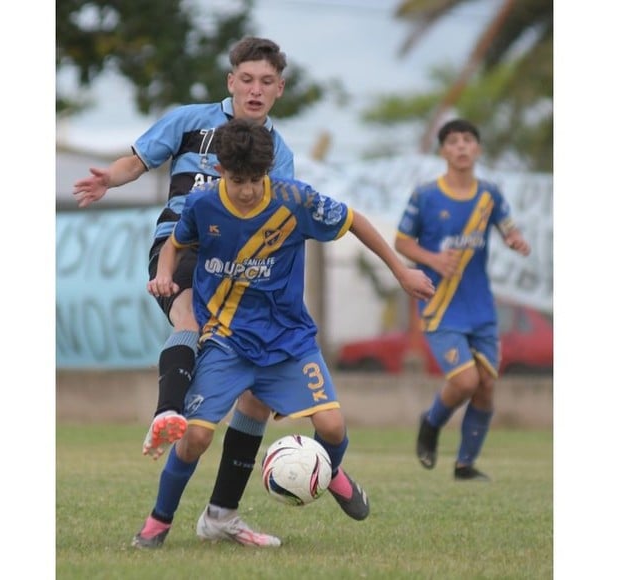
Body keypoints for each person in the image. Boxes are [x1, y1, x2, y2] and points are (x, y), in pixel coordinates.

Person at [132, 118, 436, 548]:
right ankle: (159, 522)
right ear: (221, 171)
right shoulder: (202, 205)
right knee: (196, 435)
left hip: (288, 340)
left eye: (257, 180)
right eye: (238, 180)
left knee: (332, 427)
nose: (249, 190)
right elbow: (176, 243)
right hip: (225, 339)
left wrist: (401, 270)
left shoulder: (295, 201)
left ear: (269, 171)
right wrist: (164, 273)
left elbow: (355, 221)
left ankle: (327, 470)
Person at [71, 38, 290, 512]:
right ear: (231, 81)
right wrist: (110, 177)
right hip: (182, 246)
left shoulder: (280, 152)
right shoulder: (191, 121)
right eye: (246, 80)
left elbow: (283, 222)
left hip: (242, 266)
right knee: (186, 315)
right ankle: (166, 412)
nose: (255, 90)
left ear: (279, 89)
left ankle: (222, 515)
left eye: (266, 82)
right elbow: (139, 158)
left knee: (254, 393)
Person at [394, 119, 531, 482]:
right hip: (440, 306)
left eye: (468, 140)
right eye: (453, 141)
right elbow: (402, 243)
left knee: (486, 384)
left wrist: (516, 239)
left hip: (481, 307)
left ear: (478, 150)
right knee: (466, 381)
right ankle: (432, 422)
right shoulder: (425, 195)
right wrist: (434, 260)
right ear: (443, 152)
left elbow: (508, 226)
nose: (461, 147)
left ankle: (465, 465)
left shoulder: (490, 194)